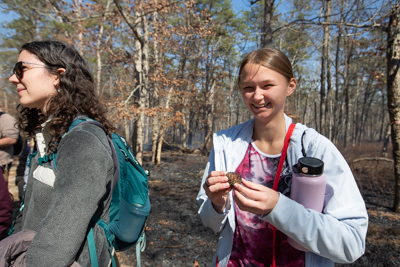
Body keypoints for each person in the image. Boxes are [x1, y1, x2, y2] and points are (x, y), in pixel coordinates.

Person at [196, 47, 368, 267]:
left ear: (290, 86)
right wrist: (216, 204)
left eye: (267, 85)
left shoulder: (315, 149)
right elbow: (210, 223)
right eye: (248, 88)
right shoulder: (226, 145)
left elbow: (351, 244)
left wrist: (279, 208)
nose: (257, 96)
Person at [1, 40, 115, 266]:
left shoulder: (82, 140)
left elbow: (60, 237)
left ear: (57, 75)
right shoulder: (47, 135)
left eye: (21, 69)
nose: (13, 78)